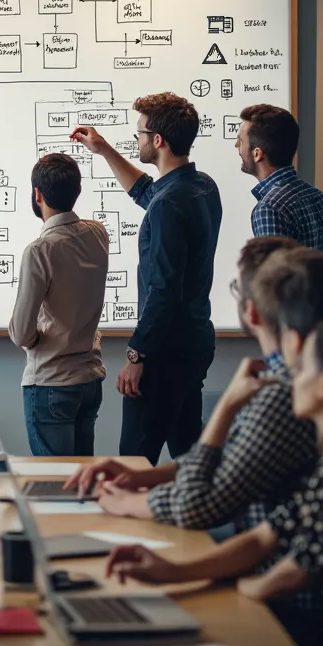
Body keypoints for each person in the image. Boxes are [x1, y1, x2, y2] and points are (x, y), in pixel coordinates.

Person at [104, 320, 323, 646]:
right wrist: (173, 572)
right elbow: (267, 536)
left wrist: (238, 588)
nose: (289, 379)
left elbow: (294, 572)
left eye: (301, 368)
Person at [80, 245, 323, 535]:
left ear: (252, 312)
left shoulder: (281, 394)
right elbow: (228, 461)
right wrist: (143, 476)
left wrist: (130, 502)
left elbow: (200, 503)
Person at [72, 93, 222, 464]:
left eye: (140, 133)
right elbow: (146, 193)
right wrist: (105, 150)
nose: (136, 139)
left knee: (134, 462)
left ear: (158, 140)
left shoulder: (170, 203)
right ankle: (196, 517)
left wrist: (138, 354)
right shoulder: (201, 186)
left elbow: (164, 289)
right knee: (189, 454)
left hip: (164, 352)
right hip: (194, 342)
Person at [8, 153, 109, 456]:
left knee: (55, 483)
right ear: (78, 191)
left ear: (36, 194)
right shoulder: (98, 233)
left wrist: (38, 333)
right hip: (89, 378)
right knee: (81, 480)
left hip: (51, 381)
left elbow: (21, 333)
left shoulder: (40, 250)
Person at [237, 105, 323, 255]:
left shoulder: (269, 209)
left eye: (240, 141)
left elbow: (274, 276)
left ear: (257, 153)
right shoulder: (319, 197)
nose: (236, 146)